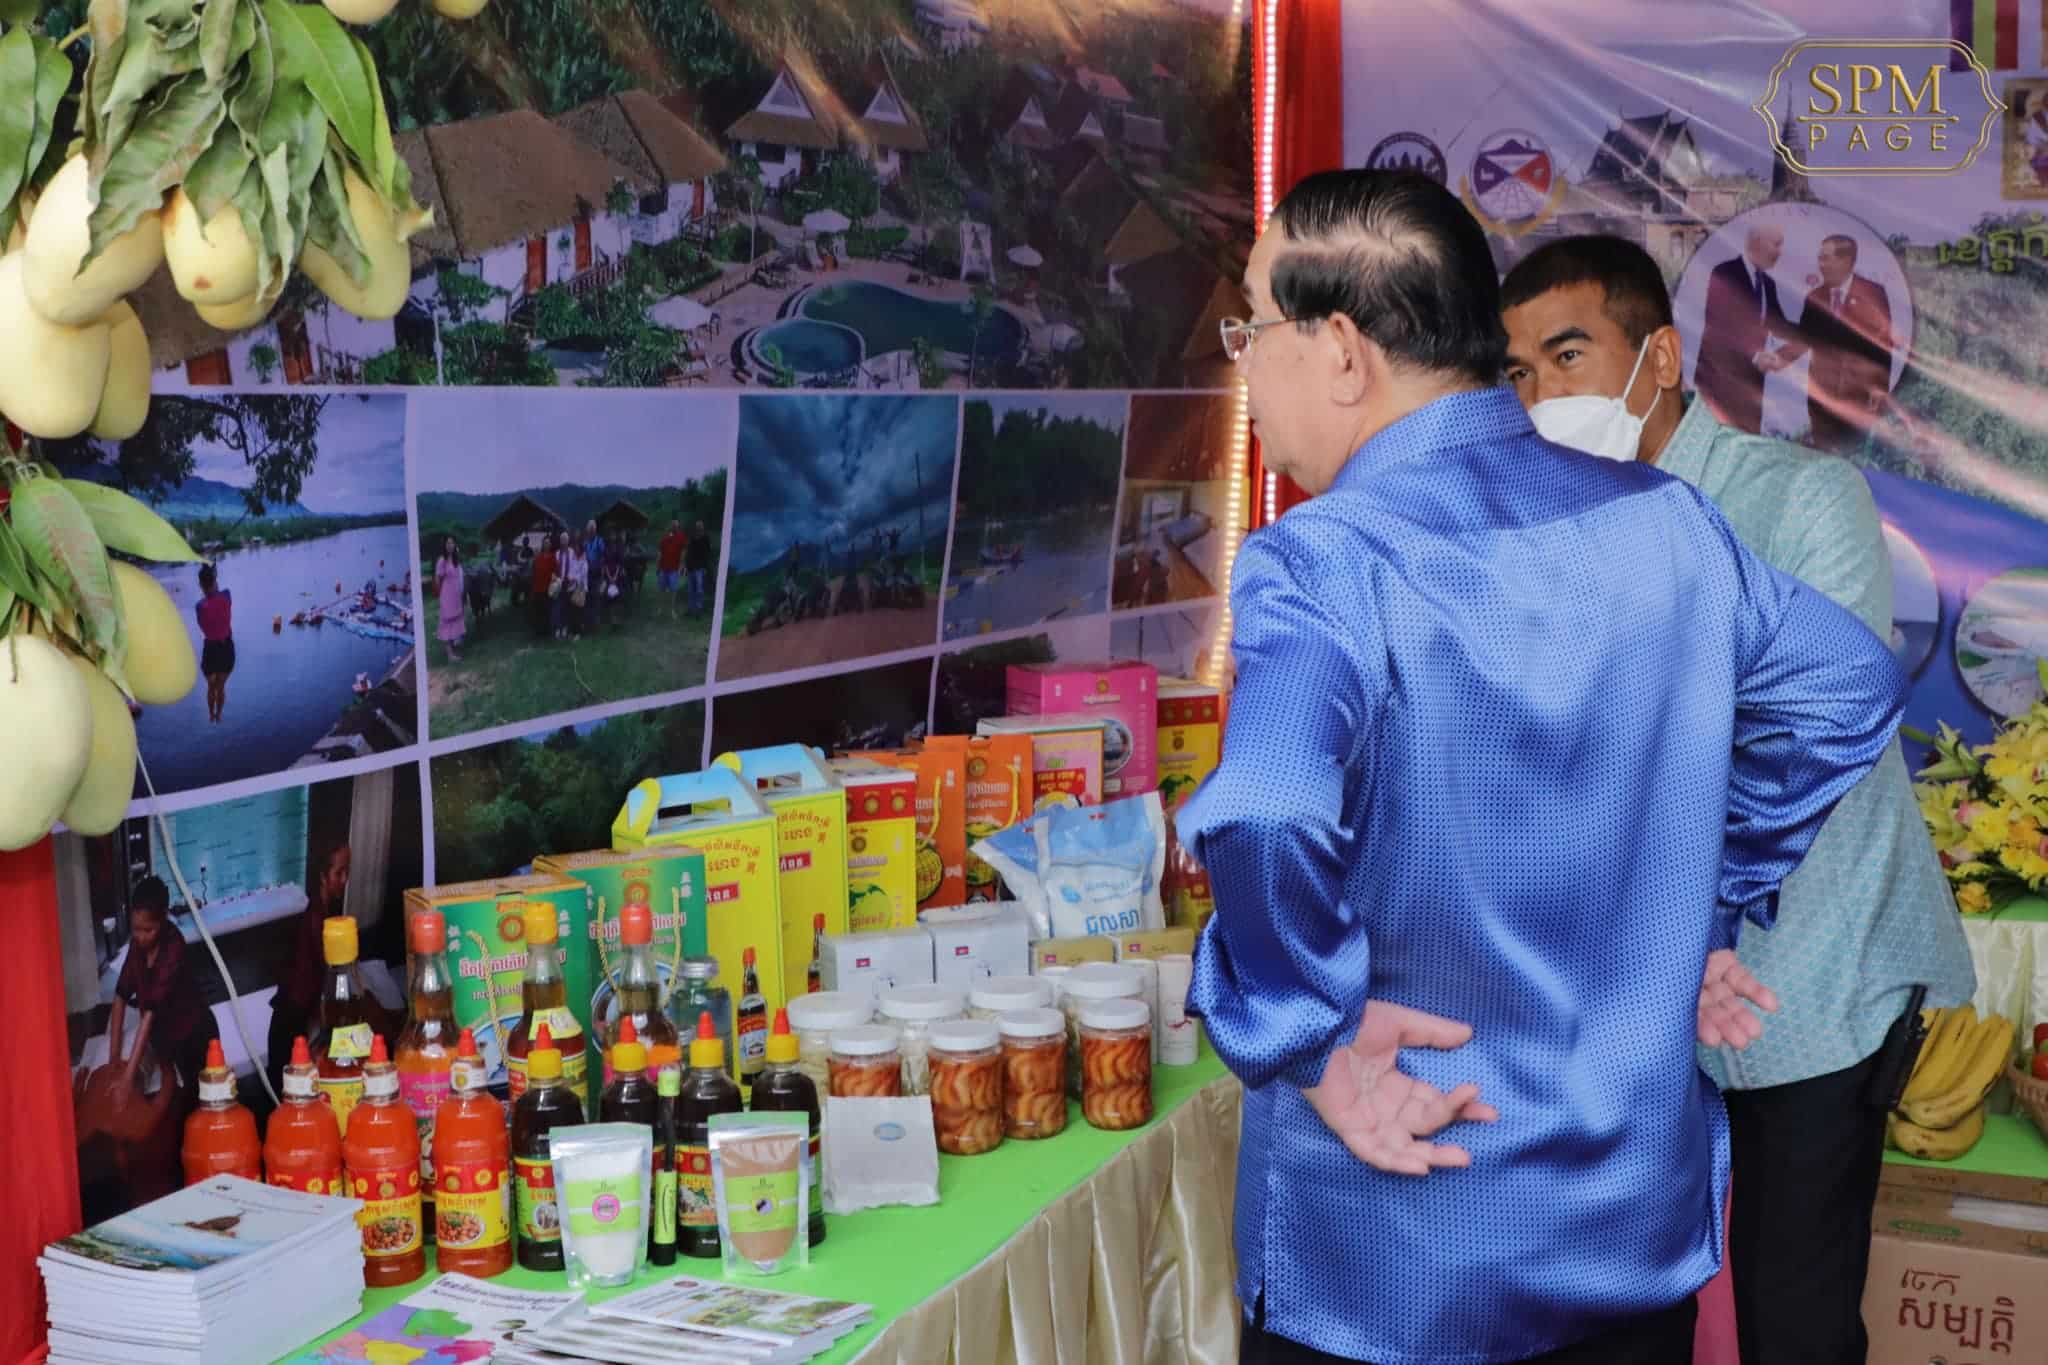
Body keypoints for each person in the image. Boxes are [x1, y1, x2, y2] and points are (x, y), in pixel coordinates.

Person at [1185, 169, 1910, 1365]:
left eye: (1251, 330)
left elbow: (1262, 811)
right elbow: (1846, 688)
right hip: (1621, 1238)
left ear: (1341, 349)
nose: (1244, 370)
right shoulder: (1663, 522)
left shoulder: (1325, 560)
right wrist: (1706, 887)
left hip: (1398, 1255)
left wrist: (1307, 1037)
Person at [1499, 234, 1976, 1365]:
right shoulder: (1546, 528)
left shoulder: (1802, 495)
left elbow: (1813, 726)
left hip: (1805, 975)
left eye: (1567, 355)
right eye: (1517, 371)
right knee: (1634, 1301)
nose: (1540, 393)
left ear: (1658, 358)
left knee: (1789, 1308)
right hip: (1634, 987)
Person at [103, 877, 219, 1116]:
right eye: (136, 929)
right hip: (163, 1037)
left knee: (198, 1107)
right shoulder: (137, 946)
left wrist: (127, 1080)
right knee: (168, 1097)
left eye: (148, 930)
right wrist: (113, 1061)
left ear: (164, 918)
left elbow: (149, 1015)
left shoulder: (174, 947)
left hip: (194, 1035)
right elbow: (120, 997)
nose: (141, 936)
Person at [1771, 234, 1896, 453]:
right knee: (1823, 456)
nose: (1820, 265)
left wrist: (1879, 388)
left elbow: (1884, 345)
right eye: (1819, 258)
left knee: (1853, 457)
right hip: (1821, 399)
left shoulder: (1872, 294)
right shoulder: (1814, 298)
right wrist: (1777, 358)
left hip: (1858, 399)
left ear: (1846, 261)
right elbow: (1805, 340)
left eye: (1825, 258)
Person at [1694, 223, 1797, 434]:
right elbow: (1720, 329)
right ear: (1756, 241)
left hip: (1751, 388)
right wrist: (1754, 356)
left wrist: (1815, 331)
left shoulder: (1768, 283)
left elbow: (1779, 325)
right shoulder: (1725, 274)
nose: (1780, 252)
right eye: (1776, 244)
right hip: (1719, 384)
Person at [194, 564, 233, 723]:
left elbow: (203, 624)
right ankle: (219, 715)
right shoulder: (227, 596)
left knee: (211, 687)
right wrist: (213, 574)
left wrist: (210, 578)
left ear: (200, 585)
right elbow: (218, 594)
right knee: (220, 687)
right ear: (215, 580)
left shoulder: (199, 606)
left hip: (210, 650)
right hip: (226, 649)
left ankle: (211, 715)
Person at [433, 536, 466, 664]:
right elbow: (437, 579)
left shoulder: (455, 559)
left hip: (456, 596)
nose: (450, 545)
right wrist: (440, 596)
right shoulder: (442, 560)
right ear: (444, 545)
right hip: (446, 596)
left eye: (452, 543)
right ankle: (450, 655)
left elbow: (459, 577)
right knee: (446, 623)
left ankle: (452, 650)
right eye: (448, 543)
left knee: (455, 622)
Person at [529, 535, 557, 639]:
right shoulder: (538, 557)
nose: (546, 545)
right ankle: (538, 632)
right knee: (538, 611)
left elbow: (556, 572)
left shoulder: (553, 557)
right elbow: (534, 573)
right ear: (543, 544)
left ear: (550, 545)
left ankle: (546, 632)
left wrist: (553, 579)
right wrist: (533, 588)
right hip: (537, 588)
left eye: (548, 543)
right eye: (545, 543)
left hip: (548, 589)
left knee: (547, 611)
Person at [685, 520, 711, 615]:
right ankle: (690, 609)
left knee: (699, 590)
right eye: (697, 526)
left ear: (703, 527)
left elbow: (708, 553)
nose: (699, 527)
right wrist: (686, 566)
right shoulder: (692, 537)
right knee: (690, 590)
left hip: (700, 568)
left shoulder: (706, 538)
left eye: (700, 526)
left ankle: (699, 609)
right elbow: (688, 552)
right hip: (691, 567)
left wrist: (705, 568)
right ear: (695, 527)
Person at [658, 521, 687, 606]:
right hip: (663, 567)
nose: (674, 527)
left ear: (678, 527)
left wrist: (682, 566)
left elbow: (683, 552)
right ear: (671, 526)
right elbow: (660, 551)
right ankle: (660, 606)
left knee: (673, 589)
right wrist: (658, 566)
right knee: (662, 588)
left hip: (674, 568)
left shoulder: (681, 536)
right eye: (673, 526)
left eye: (676, 526)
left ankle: (672, 608)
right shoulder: (665, 536)